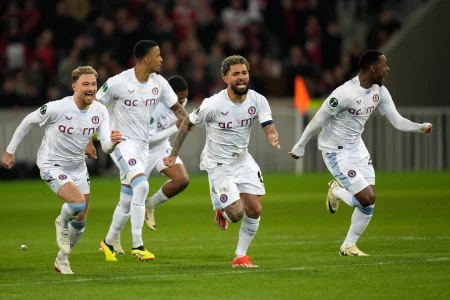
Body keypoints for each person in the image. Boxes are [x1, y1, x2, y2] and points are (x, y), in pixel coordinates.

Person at [289, 50, 433, 256]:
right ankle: (336, 191)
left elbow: (397, 120)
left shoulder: (380, 91)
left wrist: (420, 127)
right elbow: (318, 120)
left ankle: (348, 245)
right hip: (335, 152)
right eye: (384, 65)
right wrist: (300, 145)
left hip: (357, 147)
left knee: (368, 201)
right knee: (367, 197)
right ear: (373, 68)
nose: (388, 69)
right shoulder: (344, 93)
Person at [1, 66, 122, 274]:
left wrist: (113, 143)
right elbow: (28, 121)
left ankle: (62, 259)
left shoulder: (100, 110)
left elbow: (104, 145)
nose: (91, 88)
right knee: (77, 203)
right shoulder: (57, 107)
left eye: (93, 84)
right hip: (51, 164)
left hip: (77, 166)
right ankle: (61, 220)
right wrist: (10, 151)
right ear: (74, 86)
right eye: (85, 84)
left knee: (81, 221)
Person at [164, 55, 280, 268]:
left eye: (244, 73)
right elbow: (187, 123)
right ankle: (219, 204)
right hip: (218, 164)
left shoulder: (258, 100)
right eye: (235, 74)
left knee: (255, 209)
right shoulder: (213, 105)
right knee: (236, 214)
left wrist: (272, 135)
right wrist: (173, 154)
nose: (241, 77)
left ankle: (239, 256)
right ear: (225, 78)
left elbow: (267, 123)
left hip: (242, 160)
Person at [95, 40, 189, 262]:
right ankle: (137, 244)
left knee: (127, 199)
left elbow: (179, 110)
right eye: (158, 55)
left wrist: (189, 121)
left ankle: (108, 242)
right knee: (143, 185)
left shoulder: (160, 83)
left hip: (142, 146)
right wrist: (95, 138)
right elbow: (96, 106)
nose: (162, 59)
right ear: (147, 58)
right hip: (121, 144)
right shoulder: (118, 82)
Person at [110, 75, 191, 253]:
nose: (183, 101)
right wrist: (175, 127)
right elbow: (148, 137)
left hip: (161, 148)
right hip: (141, 150)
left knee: (182, 180)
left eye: (186, 97)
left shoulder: (179, 104)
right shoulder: (152, 106)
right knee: (128, 200)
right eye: (180, 97)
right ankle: (113, 239)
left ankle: (150, 204)